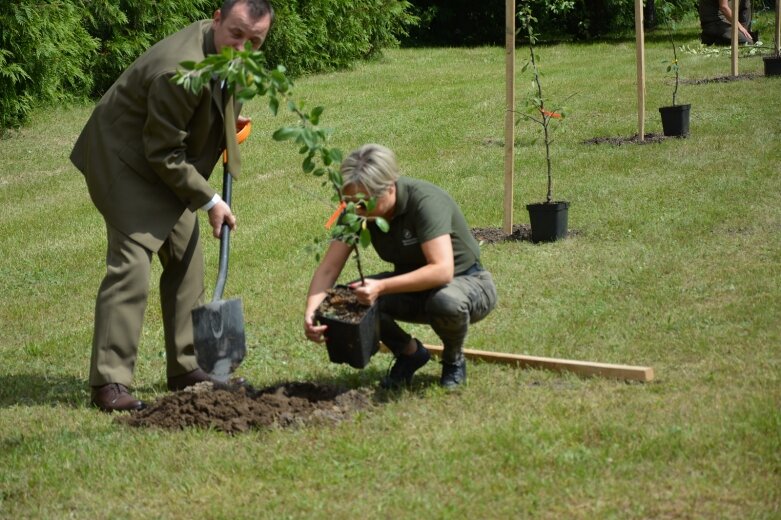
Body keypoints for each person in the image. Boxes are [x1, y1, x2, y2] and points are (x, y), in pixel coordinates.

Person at [70, 0, 274, 412]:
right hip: (124, 159)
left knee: (186, 258)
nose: (242, 48)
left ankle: (187, 367)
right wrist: (210, 199)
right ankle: (109, 383)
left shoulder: (229, 51)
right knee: (132, 265)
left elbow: (219, 97)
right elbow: (162, 151)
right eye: (236, 33)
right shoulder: (178, 69)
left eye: (255, 41)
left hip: (164, 160)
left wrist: (226, 123)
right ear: (217, 19)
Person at [303, 144, 498, 389]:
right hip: (411, 285)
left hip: (466, 283)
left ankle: (453, 360)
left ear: (389, 188)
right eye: (349, 202)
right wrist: (313, 311)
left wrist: (381, 287)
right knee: (347, 301)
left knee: (445, 301)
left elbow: (442, 270)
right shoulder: (357, 209)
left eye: (363, 202)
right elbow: (329, 268)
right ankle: (409, 353)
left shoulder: (425, 202)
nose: (356, 209)